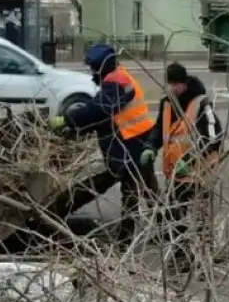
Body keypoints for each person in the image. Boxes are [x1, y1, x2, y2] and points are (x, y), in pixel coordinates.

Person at [47, 44, 158, 248]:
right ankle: (161, 228)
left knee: (132, 191)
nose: (91, 72)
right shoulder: (118, 77)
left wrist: (68, 119)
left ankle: (126, 240)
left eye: (93, 67)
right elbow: (105, 115)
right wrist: (79, 128)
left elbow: (99, 110)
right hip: (137, 142)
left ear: (102, 66)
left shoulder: (116, 82)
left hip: (132, 145)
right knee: (146, 190)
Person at [142, 62, 223, 273]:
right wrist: (150, 146)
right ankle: (181, 256)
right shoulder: (167, 104)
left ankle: (205, 260)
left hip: (198, 172)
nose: (173, 88)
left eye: (176, 84)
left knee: (200, 217)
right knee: (174, 216)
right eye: (170, 84)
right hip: (176, 174)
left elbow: (214, 137)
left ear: (184, 83)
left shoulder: (201, 104)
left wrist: (190, 159)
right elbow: (159, 129)